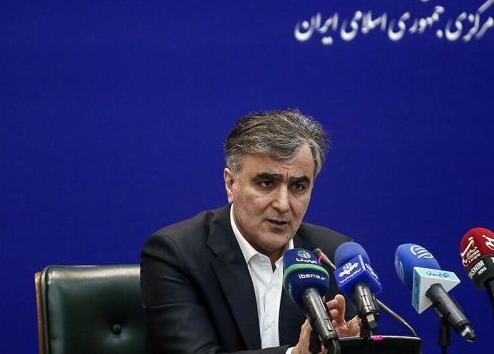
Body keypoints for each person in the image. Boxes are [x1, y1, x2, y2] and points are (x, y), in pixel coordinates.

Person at [141, 110, 361, 353]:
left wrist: (351, 348)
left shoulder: (332, 258)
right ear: (231, 184)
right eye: (266, 183)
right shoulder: (177, 254)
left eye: (298, 186)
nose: (283, 204)